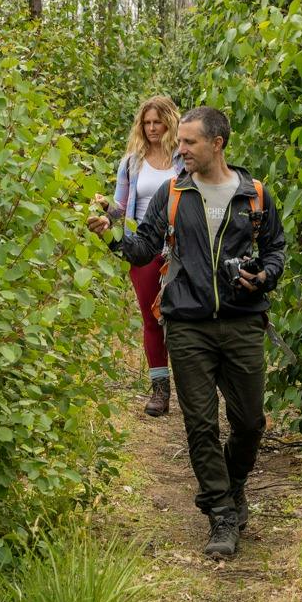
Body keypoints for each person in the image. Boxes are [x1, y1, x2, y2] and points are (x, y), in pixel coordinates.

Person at [90, 106, 284, 558]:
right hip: (187, 324)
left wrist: (263, 276)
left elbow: (275, 248)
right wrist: (111, 234)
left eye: (189, 143)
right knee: (199, 424)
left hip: (241, 321)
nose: (181, 150)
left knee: (250, 423)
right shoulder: (173, 195)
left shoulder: (255, 195)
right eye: (180, 143)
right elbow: (142, 251)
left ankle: (233, 486)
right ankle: (220, 514)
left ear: (217, 144)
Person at [109, 96, 183, 418]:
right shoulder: (132, 163)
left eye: (158, 122)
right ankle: (160, 389)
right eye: (147, 123)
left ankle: (194, 385)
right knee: (152, 317)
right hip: (145, 246)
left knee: (184, 316)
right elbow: (120, 207)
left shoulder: (184, 158)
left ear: (170, 122)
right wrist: (105, 220)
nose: (152, 128)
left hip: (182, 245)